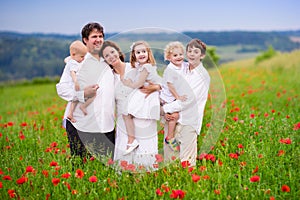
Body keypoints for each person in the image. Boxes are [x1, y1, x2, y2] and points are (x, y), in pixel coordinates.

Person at [56, 22, 115, 162]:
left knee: (106, 168)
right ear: (85, 40)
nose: (98, 39)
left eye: (101, 36)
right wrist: (82, 94)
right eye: (94, 36)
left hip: (106, 125)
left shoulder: (108, 60)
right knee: (81, 165)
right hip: (80, 124)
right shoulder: (76, 62)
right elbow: (62, 89)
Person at [99, 40, 161, 170]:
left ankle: (147, 178)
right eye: (106, 55)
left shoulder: (134, 67)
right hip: (124, 119)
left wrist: (154, 87)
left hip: (142, 115)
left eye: (112, 52)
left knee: (145, 151)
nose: (111, 56)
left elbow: (158, 81)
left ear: (118, 52)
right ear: (104, 60)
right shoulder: (109, 77)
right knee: (125, 154)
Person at [162, 39, 210, 167]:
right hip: (172, 118)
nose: (192, 54)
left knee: (187, 163)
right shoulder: (181, 68)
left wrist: (163, 109)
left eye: (196, 51)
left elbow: (188, 100)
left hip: (188, 122)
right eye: (189, 51)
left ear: (202, 55)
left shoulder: (201, 75)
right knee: (169, 162)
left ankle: (188, 186)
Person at [121, 41, 162, 155]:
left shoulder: (146, 67)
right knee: (127, 113)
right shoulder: (141, 67)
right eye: (138, 52)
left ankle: (131, 139)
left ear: (148, 53)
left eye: (144, 51)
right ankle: (132, 139)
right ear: (134, 55)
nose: (141, 54)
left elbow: (139, 84)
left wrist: (127, 82)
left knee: (127, 113)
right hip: (148, 91)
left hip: (149, 93)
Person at [57, 40, 94, 123]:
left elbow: (67, 59)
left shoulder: (73, 60)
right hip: (67, 86)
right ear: (73, 55)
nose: (83, 58)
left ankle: (70, 114)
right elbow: (72, 73)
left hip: (68, 86)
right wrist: (76, 81)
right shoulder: (73, 62)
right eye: (81, 57)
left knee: (76, 97)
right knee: (78, 95)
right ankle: (76, 110)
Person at [160, 41, 188, 152]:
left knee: (176, 115)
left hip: (173, 97)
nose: (179, 57)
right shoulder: (170, 69)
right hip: (168, 97)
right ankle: (170, 137)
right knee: (174, 116)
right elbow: (170, 86)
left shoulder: (183, 66)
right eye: (175, 55)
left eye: (181, 54)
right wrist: (178, 97)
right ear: (169, 57)